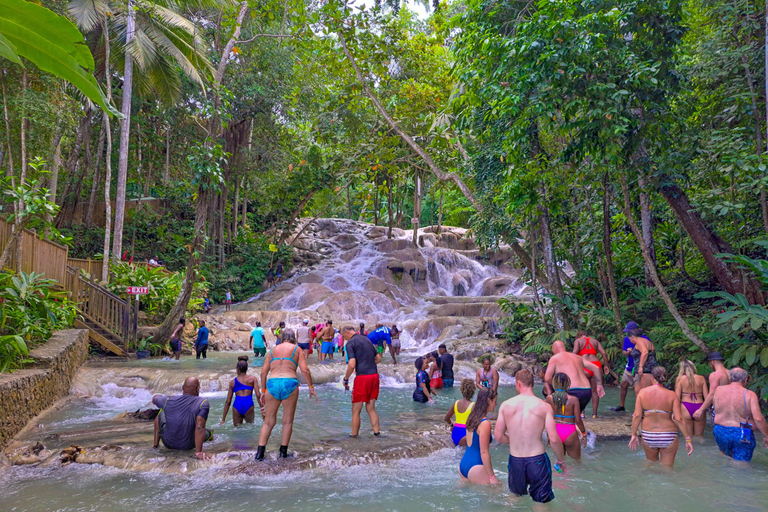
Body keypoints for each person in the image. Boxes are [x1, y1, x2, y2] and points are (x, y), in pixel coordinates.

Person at [495, 369, 565, 504]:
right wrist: (561, 460)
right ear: (532, 384)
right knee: (541, 502)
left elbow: (498, 436)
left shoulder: (506, 406)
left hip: (515, 460)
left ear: (518, 383)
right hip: (537, 460)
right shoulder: (544, 407)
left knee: (514, 497)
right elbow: (554, 438)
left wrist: (514, 440)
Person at [256, 329, 317, 460]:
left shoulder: (272, 351)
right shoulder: (297, 349)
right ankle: (283, 453)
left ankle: (259, 454)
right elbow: (305, 370)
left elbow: (263, 372)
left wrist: (263, 390)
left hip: (272, 383)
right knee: (287, 421)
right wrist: (311, 387)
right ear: (294, 338)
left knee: (268, 422)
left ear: (282, 337)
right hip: (289, 382)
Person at [629, 366, 693, 467]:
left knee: (650, 464)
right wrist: (688, 439)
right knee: (667, 469)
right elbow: (679, 419)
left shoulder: (642, 392)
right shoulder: (672, 395)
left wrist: (634, 434)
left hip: (648, 435)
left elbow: (637, 415)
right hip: (668, 435)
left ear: (652, 377)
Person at [711, 367, 768, 461]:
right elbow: (758, 419)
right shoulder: (750, 394)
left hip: (720, 431)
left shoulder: (718, 390)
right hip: (741, 433)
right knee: (741, 465)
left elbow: (715, 408)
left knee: (725, 458)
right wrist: (766, 435)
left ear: (730, 378)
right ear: (745, 380)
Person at [152, 377, 212, 460]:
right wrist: (198, 453)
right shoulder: (202, 403)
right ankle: (208, 439)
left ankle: (155, 446)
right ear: (198, 389)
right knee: (209, 432)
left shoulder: (167, 400)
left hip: (168, 443)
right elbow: (200, 427)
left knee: (161, 411)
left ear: (183, 388)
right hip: (189, 445)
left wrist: (159, 396)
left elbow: (154, 398)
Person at [544, 340, 604, 415]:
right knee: (575, 417)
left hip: (572, 391)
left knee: (564, 417)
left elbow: (547, 378)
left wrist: (557, 387)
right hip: (586, 391)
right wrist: (599, 385)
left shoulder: (555, 358)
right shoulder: (577, 357)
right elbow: (596, 368)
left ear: (554, 348)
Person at [342, 325, 381, 436]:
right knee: (371, 408)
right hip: (374, 376)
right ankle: (377, 433)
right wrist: (368, 364)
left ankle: (354, 436)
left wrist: (346, 378)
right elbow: (378, 358)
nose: (344, 338)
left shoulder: (350, 344)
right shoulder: (367, 339)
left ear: (347, 331)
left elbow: (352, 364)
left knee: (356, 410)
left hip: (362, 378)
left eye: (343, 335)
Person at [459, 388, 500, 485]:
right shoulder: (485, 423)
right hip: (475, 466)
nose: (496, 404)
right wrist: (492, 476)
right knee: (498, 490)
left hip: (463, 464)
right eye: (495, 401)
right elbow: (484, 452)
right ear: (489, 401)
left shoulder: (472, 417)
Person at [545, 373, 587, 460]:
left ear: (554, 384)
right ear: (568, 384)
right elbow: (578, 421)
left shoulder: (549, 399)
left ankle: (561, 473)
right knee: (576, 462)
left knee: (560, 461)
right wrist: (584, 434)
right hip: (570, 431)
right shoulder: (574, 400)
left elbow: (546, 418)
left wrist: (548, 434)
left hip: (555, 431)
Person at [609, 322, 648, 412]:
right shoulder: (627, 339)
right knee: (623, 385)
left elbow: (646, 352)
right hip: (629, 366)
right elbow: (624, 352)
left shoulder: (644, 339)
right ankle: (621, 405)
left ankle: (640, 409)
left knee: (638, 389)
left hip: (638, 367)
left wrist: (641, 366)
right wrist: (628, 352)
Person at [572, 331, 608, 417]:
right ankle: (594, 414)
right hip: (596, 365)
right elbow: (604, 353)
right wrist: (606, 365)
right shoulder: (595, 341)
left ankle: (582, 413)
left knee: (583, 389)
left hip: (585, 365)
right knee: (595, 391)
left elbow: (574, 353)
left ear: (578, 336)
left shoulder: (578, 341)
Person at [220, 356, 262, 426]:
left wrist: (223, 419)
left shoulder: (232, 382)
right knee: (250, 428)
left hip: (237, 406)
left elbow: (228, 401)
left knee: (237, 431)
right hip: (249, 405)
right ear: (246, 369)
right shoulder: (252, 379)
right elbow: (258, 395)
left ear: (238, 369)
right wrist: (262, 409)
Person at [693, 352, 731, 422]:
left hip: (720, 407)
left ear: (712, 362)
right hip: (732, 406)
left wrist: (701, 410)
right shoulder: (731, 373)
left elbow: (712, 394)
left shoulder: (715, 375)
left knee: (719, 429)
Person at [675, 359, 708, 438]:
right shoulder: (701, 378)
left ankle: (691, 450)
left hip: (685, 407)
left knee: (688, 437)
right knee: (699, 437)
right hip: (700, 406)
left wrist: (675, 412)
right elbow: (707, 397)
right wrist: (708, 409)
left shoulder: (680, 379)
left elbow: (677, 397)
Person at [625, 325, 658, 393]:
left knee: (645, 392)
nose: (630, 341)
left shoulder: (639, 341)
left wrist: (640, 367)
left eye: (630, 339)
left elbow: (645, 352)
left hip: (646, 370)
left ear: (633, 337)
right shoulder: (646, 341)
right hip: (650, 368)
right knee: (637, 390)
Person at [445, 378, 475, 446]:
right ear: (473, 390)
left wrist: (452, 425)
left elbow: (446, 418)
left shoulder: (456, 403)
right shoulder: (473, 405)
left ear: (461, 390)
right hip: (465, 434)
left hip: (455, 433)